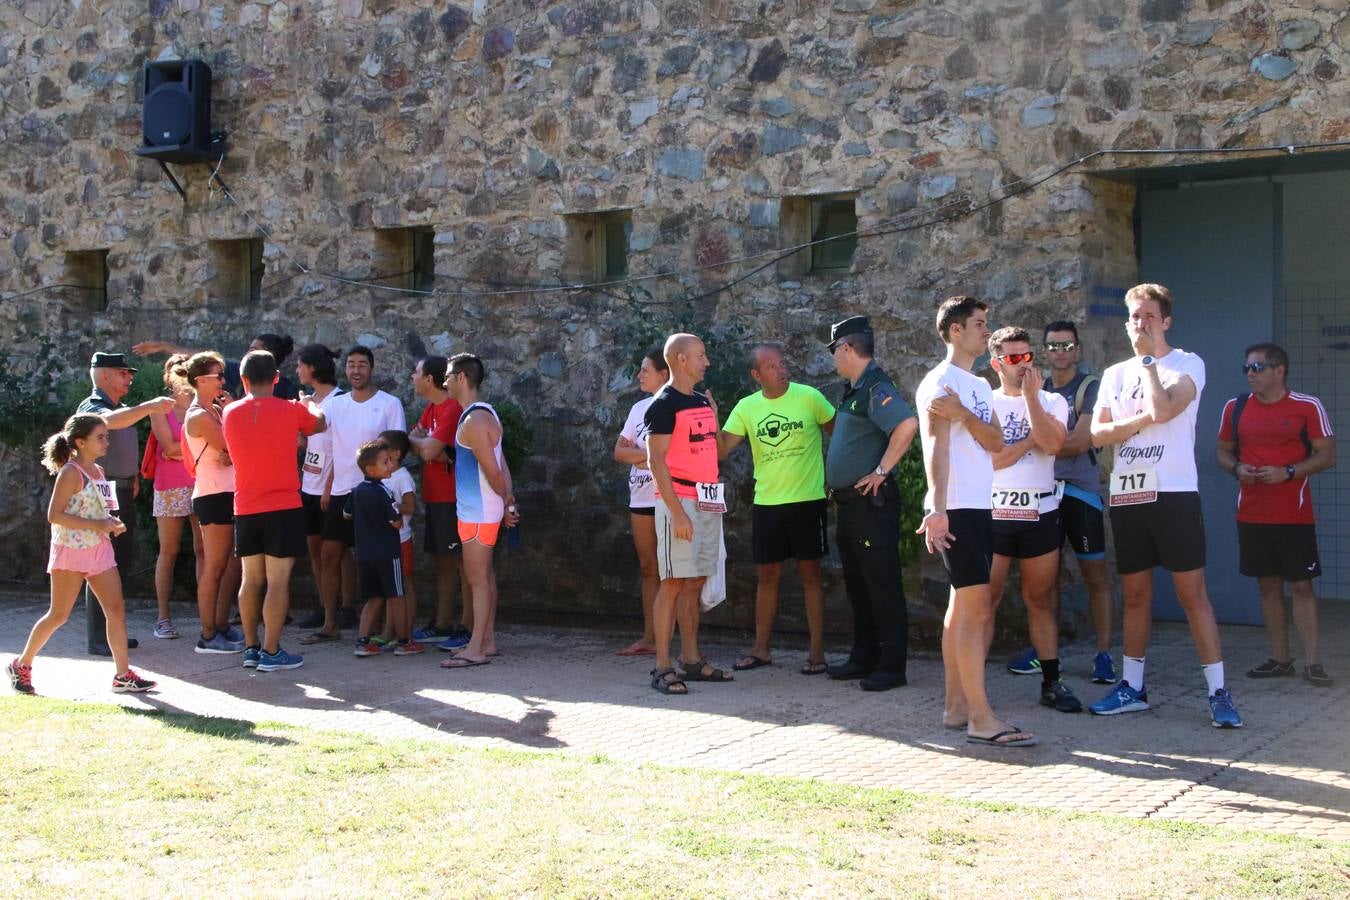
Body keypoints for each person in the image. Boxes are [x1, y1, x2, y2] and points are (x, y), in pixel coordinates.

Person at [1089, 283, 1242, 728]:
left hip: (1173, 494)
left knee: (1192, 594)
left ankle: (1218, 692)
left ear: (1166, 322)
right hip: (1129, 495)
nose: (1141, 325)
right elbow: (1098, 435)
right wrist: (1136, 422)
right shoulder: (1115, 374)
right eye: (1135, 317)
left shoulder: (1187, 363)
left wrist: (1151, 360)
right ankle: (1132, 687)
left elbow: (1166, 409)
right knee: (1136, 594)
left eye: (1149, 317)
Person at [917, 296, 1037, 748]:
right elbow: (935, 448)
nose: (987, 332)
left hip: (978, 506)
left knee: (963, 608)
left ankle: (956, 708)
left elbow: (994, 439)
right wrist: (937, 508)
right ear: (954, 331)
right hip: (956, 508)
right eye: (980, 324)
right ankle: (981, 719)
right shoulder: (939, 382)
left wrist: (966, 414)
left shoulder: (977, 387)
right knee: (976, 609)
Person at [7, 414, 156, 695]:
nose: (106, 441)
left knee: (116, 610)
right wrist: (98, 524)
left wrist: (111, 523)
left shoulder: (98, 472)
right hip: (71, 551)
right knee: (59, 614)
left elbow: (101, 510)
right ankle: (21, 664)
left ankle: (123, 675)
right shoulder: (70, 473)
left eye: (106, 436)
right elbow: (54, 515)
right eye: (100, 437)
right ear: (80, 442)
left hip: (99, 549)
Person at [1216, 342, 1336, 688]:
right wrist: (1237, 467)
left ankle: (1314, 662)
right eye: (1247, 368)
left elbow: (1327, 455)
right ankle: (1281, 658)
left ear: (1279, 370)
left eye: (1257, 368)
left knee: (1300, 585)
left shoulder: (1306, 406)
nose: (1250, 375)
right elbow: (1222, 452)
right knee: (1267, 586)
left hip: (1294, 514)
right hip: (1252, 514)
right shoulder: (1235, 408)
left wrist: (1290, 471)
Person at [1005, 320, 1117, 684]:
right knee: (1044, 581)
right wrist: (1048, 438)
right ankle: (1043, 652)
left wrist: (1047, 440)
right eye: (1053, 346)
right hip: (1044, 494)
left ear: (1078, 350)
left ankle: (1103, 654)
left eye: (1067, 346)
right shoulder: (1037, 388)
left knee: (1095, 575)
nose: (1060, 352)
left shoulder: (1089, 386)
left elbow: (1080, 441)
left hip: (1081, 491)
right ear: (1044, 351)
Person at [719, 343, 837, 675]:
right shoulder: (746, 407)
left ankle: (817, 653)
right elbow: (721, 451)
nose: (781, 369)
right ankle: (761, 650)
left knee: (810, 575)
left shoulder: (810, 397)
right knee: (767, 576)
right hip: (767, 504)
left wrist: (839, 479)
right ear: (756, 375)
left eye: (782, 363)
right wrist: (709, 416)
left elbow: (838, 436)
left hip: (807, 501)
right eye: (771, 366)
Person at [983, 327, 1080, 713]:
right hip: (993, 513)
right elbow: (992, 461)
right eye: (1013, 358)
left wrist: (1031, 401)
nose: (1023, 364)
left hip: (1040, 511)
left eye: (1027, 356)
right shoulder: (984, 403)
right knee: (984, 601)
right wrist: (1027, 442)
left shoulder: (1051, 401)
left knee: (1039, 599)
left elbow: (1055, 444)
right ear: (996, 364)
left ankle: (1052, 683)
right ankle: (973, 689)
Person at [819, 320, 918, 690]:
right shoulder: (857, 389)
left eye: (833, 351)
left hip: (869, 506)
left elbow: (906, 425)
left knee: (881, 585)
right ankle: (864, 658)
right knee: (859, 586)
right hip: (851, 507)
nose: (833, 358)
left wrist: (881, 470)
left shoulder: (877, 386)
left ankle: (891, 667)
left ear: (846, 347)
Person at [222, 350, 326, 672]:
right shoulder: (292, 410)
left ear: (243, 380)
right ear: (277, 379)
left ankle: (252, 648)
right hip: (283, 505)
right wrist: (308, 405)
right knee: (278, 581)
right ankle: (271, 650)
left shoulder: (229, 413)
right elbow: (320, 425)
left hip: (245, 506)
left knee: (250, 580)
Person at [643, 333, 734, 694]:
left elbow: (718, 453)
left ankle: (692, 660)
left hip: (708, 501)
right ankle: (662, 667)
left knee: (695, 581)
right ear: (680, 359)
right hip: (678, 502)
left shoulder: (699, 400)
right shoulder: (662, 404)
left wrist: (715, 415)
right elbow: (655, 461)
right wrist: (678, 513)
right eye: (701, 355)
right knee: (673, 582)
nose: (706, 361)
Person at [303, 346, 405, 644]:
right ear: (345, 370)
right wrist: (303, 406)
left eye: (362, 364)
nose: (356, 370)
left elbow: (396, 451)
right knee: (329, 556)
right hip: (340, 493)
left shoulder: (390, 404)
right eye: (351, 365)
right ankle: (330, 624)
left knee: (375, 560)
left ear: (371, 369)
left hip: (375, 496)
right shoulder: (335, 405)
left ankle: (382, 629)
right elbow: (318, 431)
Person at [76, 351, 173, 656]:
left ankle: (112, 633)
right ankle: (99, 639)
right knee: (101, 567)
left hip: (119, 492)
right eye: (123, 373)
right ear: (104, 375)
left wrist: (131, 480)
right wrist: (147, 407)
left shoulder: (120, 408)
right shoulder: (93, 407)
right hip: (101, 498)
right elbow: (105, 422)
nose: (129, 378)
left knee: (117, 565)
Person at [439, 353, 520, 669]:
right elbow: (502, 465)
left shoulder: (473, 421)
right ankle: (487, 641)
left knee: (477, 580)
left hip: (477, 513)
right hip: (484, 510)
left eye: (447, 376)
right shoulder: (486, 414)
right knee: (484, 576)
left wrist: (506, 502)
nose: (444, 381)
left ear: (461, 378)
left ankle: (476, 648)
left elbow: (492, 470)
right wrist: (508, 500)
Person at [181, 351, 244, 655]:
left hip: (225, 493)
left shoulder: (213, 411)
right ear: (200, 380)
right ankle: (207, 634)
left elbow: (233, 450)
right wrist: (232, 416)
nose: (223, 381)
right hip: (213, 495)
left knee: (228, 565)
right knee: (214, 566)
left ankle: (219, 625)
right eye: (218, 376)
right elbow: (234, 444)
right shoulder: (200, 416)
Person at [407, 355, 472, 651]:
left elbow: (427, 450)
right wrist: (425, 444)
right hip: (436, 496)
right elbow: (414, 441)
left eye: (416, 372)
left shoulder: (450, 410)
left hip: (452, 498)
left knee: (463, 564)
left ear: (429, 380)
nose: (412, 377)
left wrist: (425, 444)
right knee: (443, 562)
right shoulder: (432, 408)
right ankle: (443, 623)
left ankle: (469, 627)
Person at [611, 348, 668, 656]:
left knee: (675, 571)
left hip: (669, 498)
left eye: (645, 370)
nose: (639, 375)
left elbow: (675, 456)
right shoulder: (638, 409)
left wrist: (646, 456)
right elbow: (619, 452)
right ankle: (650, 637)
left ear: (663, 373)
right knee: (649, 569)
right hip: (641, 497)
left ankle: (679, 641)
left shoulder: (677, 406)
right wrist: (651, 457)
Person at [146, 354, 204, 640]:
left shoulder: (202, 405)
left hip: (201, 483)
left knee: (203, 549)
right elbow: (168, 448)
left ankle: (208, 615)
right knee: (168, 551)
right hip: (169, 485)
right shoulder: (160, 407)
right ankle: (163, 618)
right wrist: (200, 445)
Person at [294, 344, 349, 627]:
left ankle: (346, 607)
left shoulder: (339, 401)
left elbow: (341, 447)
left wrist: (329, 487)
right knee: (315, 551)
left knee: (337, 553)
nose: (296, 370)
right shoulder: (308, 400)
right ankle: (324, 606)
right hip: (309, 486)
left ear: (313, 368)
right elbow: (309, 442)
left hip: (332, 489)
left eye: (300, 365)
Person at [344, 440, 409, 657]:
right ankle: (404, 641)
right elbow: (397, 522)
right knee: (397, 596)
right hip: (387, 553)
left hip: (364, 554)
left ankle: (362, 642)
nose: (390, 465)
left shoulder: (356, 491)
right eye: (385, 462)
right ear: (370, 469)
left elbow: (346, 514)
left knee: (373, 598)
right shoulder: (384, 492)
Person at [134, 334, 300, 400]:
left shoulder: (286, 390)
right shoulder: (234, 370)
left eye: (253, 349)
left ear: (267, 354)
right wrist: (164, 346)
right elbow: (202, 358)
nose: (247, 353)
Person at [375, 429, 422, 655]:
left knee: (404, 585)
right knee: (391, 588)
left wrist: (388, 507)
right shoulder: (384, 475)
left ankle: (407, 634)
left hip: (401, 540)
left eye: (381, 445)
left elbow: (410, 507)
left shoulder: (402, 476)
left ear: (394, 454)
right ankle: (388, 633)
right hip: (386, 541)